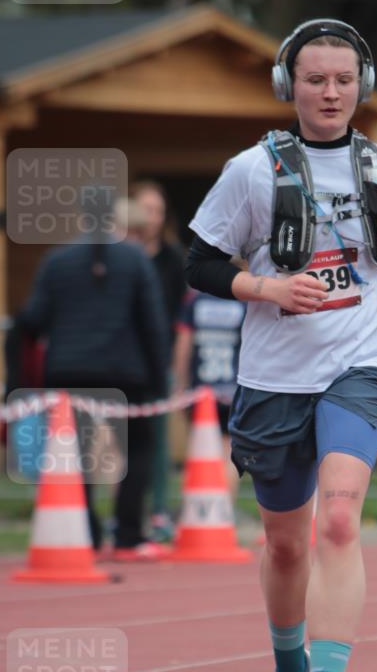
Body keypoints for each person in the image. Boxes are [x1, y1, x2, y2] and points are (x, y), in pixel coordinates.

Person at [185, 19, 377, 672]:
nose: (330, 92)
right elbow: (197, 264)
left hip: (362, 363)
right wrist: (265, 288)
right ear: (287, 85)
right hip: (274, 375)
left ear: (364, 86)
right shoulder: (251, 171)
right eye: (315, 79)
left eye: (343, 80)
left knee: (340, 520)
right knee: (286, 543)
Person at [19, 191, 169, 560]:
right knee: (138, 449)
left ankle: (84, 533)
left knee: (77, 456)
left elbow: (32, 320)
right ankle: (129, 535)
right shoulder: (135, 259)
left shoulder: (56, 261)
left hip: (69, 372)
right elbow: (152, 324)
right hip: (126, 373)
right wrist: (158, 379)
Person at [130, 180, 187, 542]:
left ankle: (159, 511)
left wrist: (177, 369)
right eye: (145, 209)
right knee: (117, 445)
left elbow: (183, 317)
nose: (152, 217)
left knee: (158, 445)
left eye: (158, 211)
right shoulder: (116, 254)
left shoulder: (173, 259)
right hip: (119, 362)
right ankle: (124, 517)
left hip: (159, 360)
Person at [172, 284, 246, 501]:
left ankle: (197, 510)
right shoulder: (243, 301)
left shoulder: (195, 301)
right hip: (232, 391)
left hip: (201, 392)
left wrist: (180, 386)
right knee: (227, 454)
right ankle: (223, 513)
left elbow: (183, 345)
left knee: (198, 451)